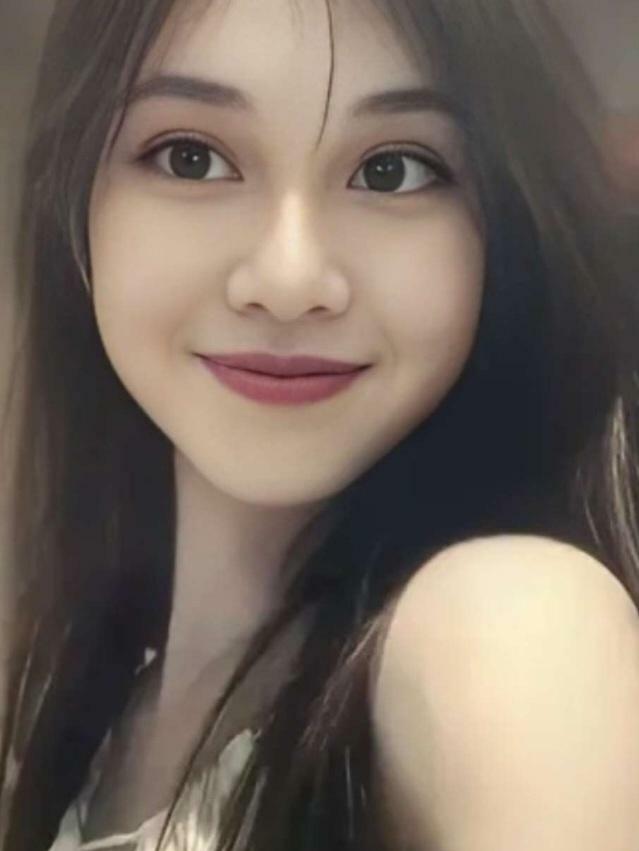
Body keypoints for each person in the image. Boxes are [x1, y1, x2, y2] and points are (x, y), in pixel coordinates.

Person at [2, 0, 639, 849]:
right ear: (75, 199)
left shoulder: (507, 629)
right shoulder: (75, 699)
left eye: (392, 171)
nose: (289, 279)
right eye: (192, 158)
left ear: (504, 228)